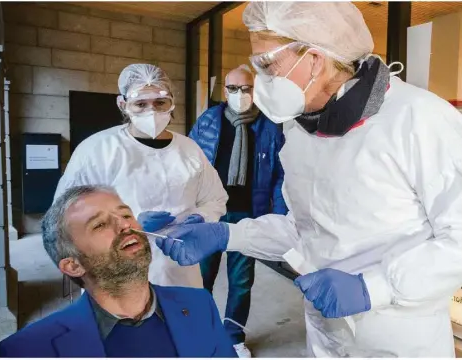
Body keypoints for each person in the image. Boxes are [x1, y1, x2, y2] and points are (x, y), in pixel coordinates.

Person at [147, 2, 462, 357]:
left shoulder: (421, 119)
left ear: (315, 59)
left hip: (399, 340)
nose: (260, 83)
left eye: (267, 66)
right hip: (325, 336)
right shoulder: (300, 130)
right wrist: (229, 234)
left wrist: (373, 288)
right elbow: (303, 229)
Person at [0, 185, 237, 358]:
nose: (125, 225)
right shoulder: (24, 350)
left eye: (125, 214)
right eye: (99, 224)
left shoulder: (199, 304)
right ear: (73, 265)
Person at [53, 64, 228, 289]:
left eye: (159, 103)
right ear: (123, 105)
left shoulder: (189, 149)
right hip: (116, 270)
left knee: (180, 318)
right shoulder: (98, 150)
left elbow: (215, 198)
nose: (151, 112)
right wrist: (127, 222)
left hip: (179, 268)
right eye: (140, 104)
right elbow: (67, 213)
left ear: (172, 102)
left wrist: (201, 217)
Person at [187, 64, 287, 357]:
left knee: (241, 281)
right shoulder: (207, 121)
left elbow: (282, 174)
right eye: (233, 88)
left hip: (248, 216)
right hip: (210, 215)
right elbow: (189, 164)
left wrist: (276, 216)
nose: (239, 94)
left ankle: (233, 336)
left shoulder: (270, 126)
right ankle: (200, 332)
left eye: (246, 88)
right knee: (201, 277)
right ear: (224, 90)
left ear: (255, 90)